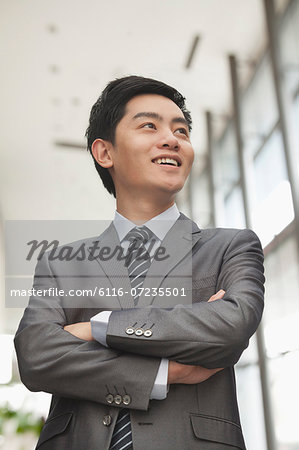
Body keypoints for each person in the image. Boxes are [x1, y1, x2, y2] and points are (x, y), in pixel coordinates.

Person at [14, 75, 265, 450]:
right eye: (150, 125)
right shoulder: (60, 262)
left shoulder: (230, 246)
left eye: (181, 130)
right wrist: (165, 373)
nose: (172, 138)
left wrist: (95, 328)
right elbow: (35, 356)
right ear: (105, 153)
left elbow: (231, 326)